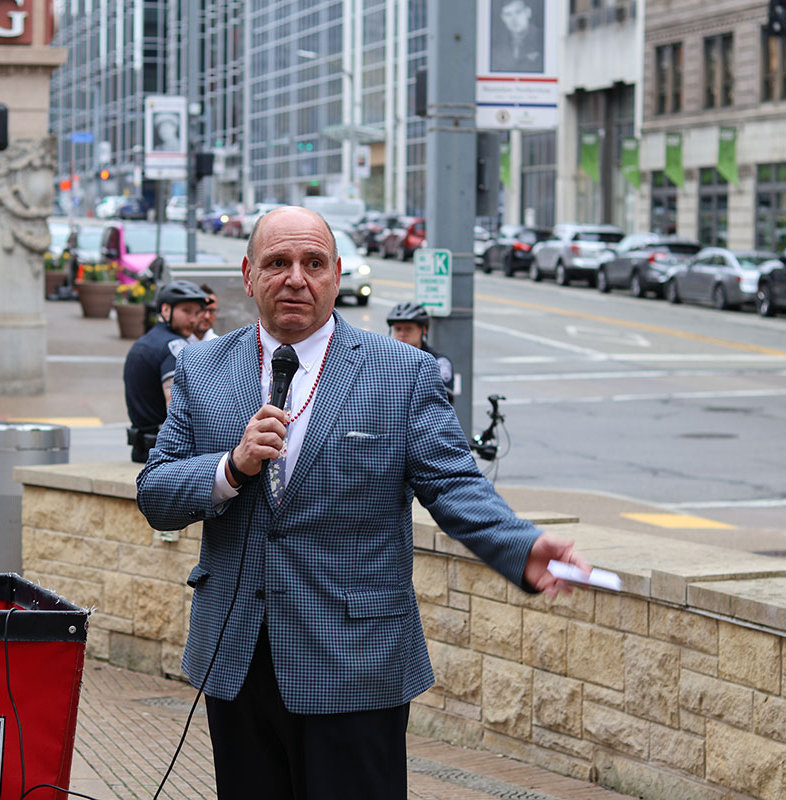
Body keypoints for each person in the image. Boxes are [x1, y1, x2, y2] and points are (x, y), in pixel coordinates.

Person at [136, 206, 589, 799]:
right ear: (249, 275)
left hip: (353, 663)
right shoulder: (202, 369)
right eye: (277, 262)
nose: (295, 277)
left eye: (313, 263)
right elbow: (157, 491)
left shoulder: (402, 373)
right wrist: (232, 466)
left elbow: (455, 485)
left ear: (337, 275)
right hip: (238, 659)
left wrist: (520, 544)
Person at [122, 280, 209, 463]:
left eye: (196, 312)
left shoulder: (144, 342)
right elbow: (175, 406)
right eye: (186, 311)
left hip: (141, 451)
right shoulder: (175, 347)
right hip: (166, 457)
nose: (194, 319)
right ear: (165, 310)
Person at [385, 301, 454, 403]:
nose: (402, 334)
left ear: (423, 330)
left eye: (408, 329)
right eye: (398, 329)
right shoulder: (386, 361)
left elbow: (443, 398)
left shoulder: (439, 362)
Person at [490, 0, 543, 73]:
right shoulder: (496, 44)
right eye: (508, 14)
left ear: (528, 13)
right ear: (503, 18)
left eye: (518, 12)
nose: (514, 20)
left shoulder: (542, 39)